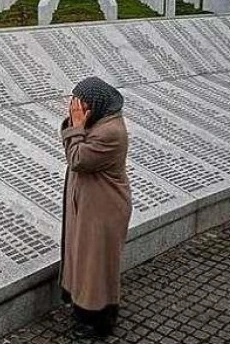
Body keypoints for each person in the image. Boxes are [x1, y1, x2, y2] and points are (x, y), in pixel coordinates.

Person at [59, 76, 132, 339]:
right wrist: (76, 124)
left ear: (96, 106)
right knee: (86, 261)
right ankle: (87, 311)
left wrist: (76, 125)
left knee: (96, 266)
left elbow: (77, 159)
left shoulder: (110, 132)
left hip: (104, 210)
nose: (74, 110)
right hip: (91, 207)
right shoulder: (99, 122)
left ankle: (97, 321)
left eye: (80, 106)